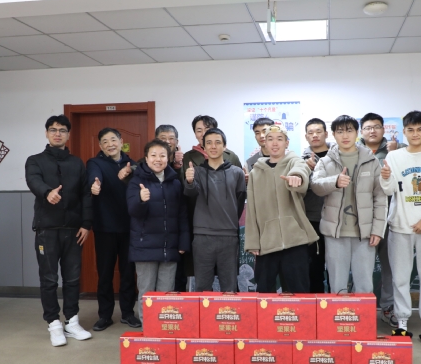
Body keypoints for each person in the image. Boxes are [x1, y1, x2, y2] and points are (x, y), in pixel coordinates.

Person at [380, 111, 421, 349]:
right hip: (400, 226)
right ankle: (401, 324)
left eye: (420, 129)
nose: (415, 134)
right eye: (410, 130)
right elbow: (389, 190)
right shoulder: (394, 156)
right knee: (400, 278)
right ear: (404, 132)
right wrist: (385, 178)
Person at [25, 114, 93, 347]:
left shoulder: (77, 163)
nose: (57, 134)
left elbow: (85, 194)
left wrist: (86, 224)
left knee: (72, 279)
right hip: (47, 229)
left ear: (68, 135)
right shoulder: (35, 160)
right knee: (49, 279)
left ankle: (72, 321)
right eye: (53, 130)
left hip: (74, 230)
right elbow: (33, 181)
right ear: (46, 133)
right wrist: (47, 192)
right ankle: (54, 324)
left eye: (62, 130)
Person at [311, 115, 386, 295]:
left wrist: (377, 230)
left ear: (357, 133)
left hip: (365, 233)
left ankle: (362, 315)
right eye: (340, 131)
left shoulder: (371, 161)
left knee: (365, 285)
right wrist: (335, 182)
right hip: (335, 233)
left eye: (349, 131)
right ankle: (339, 315)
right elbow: (316, 186)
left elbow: (380, 197)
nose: (345, 136)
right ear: (333, 135)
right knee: (337, 286)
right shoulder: (325, 161)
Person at [245, 125, 318, 293]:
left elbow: (301, 170)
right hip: (266, 242)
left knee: (298, 291)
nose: (275, 143)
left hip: (295, 241)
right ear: (264, 143)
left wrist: (296, 177)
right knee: (264, 292)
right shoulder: (256, 172)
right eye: (270, 139)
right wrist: (253, 242)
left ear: (287, 143)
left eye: (279, 139)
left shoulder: (294, 162)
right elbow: (252, 209)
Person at [126, 139, 189, 324]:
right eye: (153, 155)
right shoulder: (136, 181)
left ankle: (163, 328)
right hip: (144, 247)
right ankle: (148, 329)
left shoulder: (175, 182)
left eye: (162, 155)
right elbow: (133, 211)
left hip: (170, 247)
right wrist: (141, 200)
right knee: (146, 292)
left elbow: (182, 215)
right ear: (146, 158)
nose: (158, 159)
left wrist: (183, 242)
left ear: (168, 158)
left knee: (166, 294)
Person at [179, 116, 243, 287]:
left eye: (217, 142)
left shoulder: (237, 172)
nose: (213, 146)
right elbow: (190, 194)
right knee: (202, 287)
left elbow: (239, 201)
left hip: (229, 236)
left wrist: (228, 220)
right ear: (204, 147)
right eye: (209, 143)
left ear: (225, 146)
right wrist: (189, 181)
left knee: (229, 287)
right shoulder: (196, 171)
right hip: (202, 236)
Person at [87, 127, 140, 331]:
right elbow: (94, 176)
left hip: (129, 228)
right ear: (100, 146)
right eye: (105, 141)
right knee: (105, 273)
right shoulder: (95, 163)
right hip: (105, 227)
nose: (110, 144)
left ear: (121, 141)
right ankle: (105, 315)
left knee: (128, 273)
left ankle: (128, 313)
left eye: (113, 140)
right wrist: (94, 185)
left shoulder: (132, 164)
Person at [358, 112, 407, 328]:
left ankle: (388, 307)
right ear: (361, 131)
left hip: (390, 217)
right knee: (361, 268)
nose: (372, 131)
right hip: (362, 218)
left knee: (390, 267)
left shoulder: (399, 149)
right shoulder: (353, 151)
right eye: (368, 127)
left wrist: (394, 154)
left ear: (383, 129)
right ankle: (361, 310)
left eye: (376, 127)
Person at [302, 118, 334, 293]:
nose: (315, 135)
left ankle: (336, 306)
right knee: (314, 268)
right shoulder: (300, 160)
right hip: (312, 219)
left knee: (336, 268)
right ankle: (316, 305)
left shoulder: (337, 156)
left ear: (326, 134)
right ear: (306, 137)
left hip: (336, 219)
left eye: (318, 131)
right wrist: (307, 171)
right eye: (311, 132)